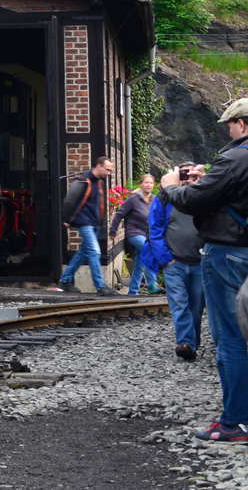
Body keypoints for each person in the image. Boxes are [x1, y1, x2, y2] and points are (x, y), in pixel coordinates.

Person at [159, 97, 248, 443]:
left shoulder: (235, 156)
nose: (228, 130)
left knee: (232, 339)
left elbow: (194, 201)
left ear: (242, 123)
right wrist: (206, 179)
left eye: (229, 124)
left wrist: (171, 187)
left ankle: (235, 423)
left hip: (228, 254)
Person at [149, 164, 208, 361]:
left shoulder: (206, 198)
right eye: (182, 174)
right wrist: (167, 259)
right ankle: (186, 343)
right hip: (174, 263)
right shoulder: (164, 201)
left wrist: (206, 184)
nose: (186, 179)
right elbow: (155, 230)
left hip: (200, 262)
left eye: (191, 175)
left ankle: (193, 344)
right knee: (179, 304)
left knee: (196, 307)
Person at [56, 155, 114, 293]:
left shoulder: (100, 183)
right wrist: (67, 219)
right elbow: (70, 200)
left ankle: (65, 281)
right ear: (98, 166)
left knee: (82, 253)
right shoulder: (83, 180)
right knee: (94, 251)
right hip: (84, 222)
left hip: (94, 224)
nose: (109, 173)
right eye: (107, 170)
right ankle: (100, 286)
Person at [112, 172, 159, 295]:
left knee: (139, 264)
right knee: (150, 250)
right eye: (146, 182)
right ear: (141, 184)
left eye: (151, 183)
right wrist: (113, 230)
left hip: (147, 235)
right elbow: (119, 214)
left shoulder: (155, 199)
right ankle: (152, 283)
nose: (149, 185)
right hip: (134, 233)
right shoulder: (133, 199)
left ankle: (133, 291)